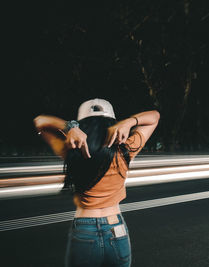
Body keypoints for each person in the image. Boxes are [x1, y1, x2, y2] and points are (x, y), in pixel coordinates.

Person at [33, 98, 160, 267]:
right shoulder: (125, 149)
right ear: (112, 122)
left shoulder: (71, 149)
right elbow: (155, 117)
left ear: (82, 124)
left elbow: (39, 122)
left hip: (84, 230)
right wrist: (129, 122)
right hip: (116, 228)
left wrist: (70, 127)